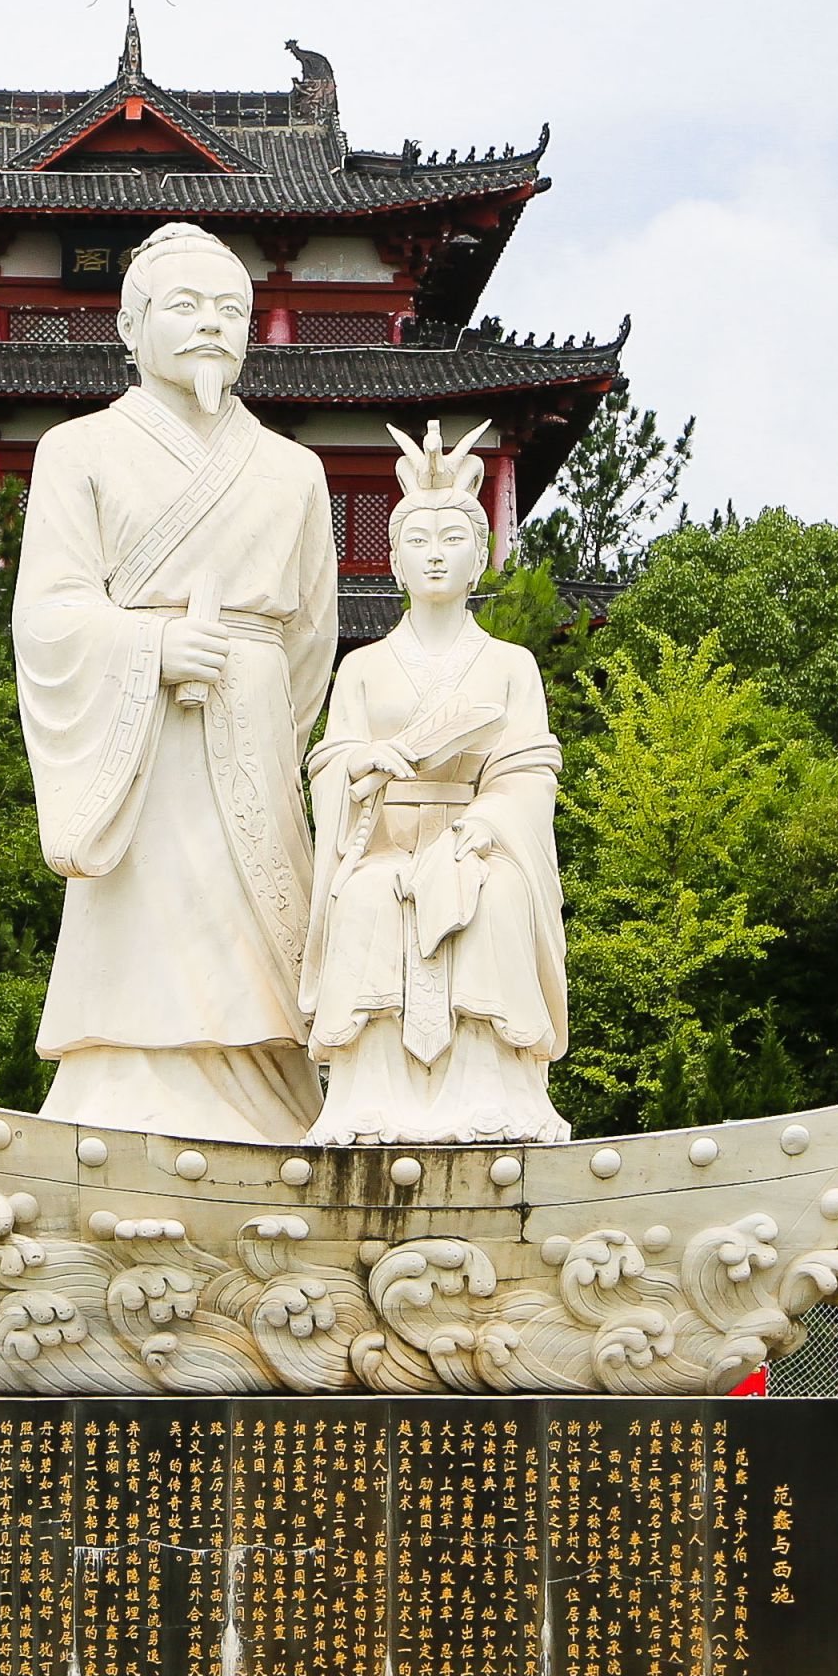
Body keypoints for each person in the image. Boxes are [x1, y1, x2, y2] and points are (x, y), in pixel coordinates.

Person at [12, 221, 343, 1141]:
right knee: (143, 907)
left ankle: (270, 1088)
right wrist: (151, 654)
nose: (213, 325)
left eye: (232, 309)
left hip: (251, 724)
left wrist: (257, 699)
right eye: (187, 306)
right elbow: (46, 612)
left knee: (257, 918)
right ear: (130, 326)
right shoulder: (76, 451)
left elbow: (313, 635)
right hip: (140, 734)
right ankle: (121, 1083)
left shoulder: (294, 471)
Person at [299, 422, 570, 1144]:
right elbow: (328, 761)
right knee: (364, 898)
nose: (437, 555)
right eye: (419, 542)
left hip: (477, 837)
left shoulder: (511, 665)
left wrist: (487, 825)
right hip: (385, 837)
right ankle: (369, 1098)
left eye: (453, 541)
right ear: (394, 561)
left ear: (481, 558)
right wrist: (362, 766)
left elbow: (529, 767)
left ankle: (492, 1091)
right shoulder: (361, 668)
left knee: (499, 898)